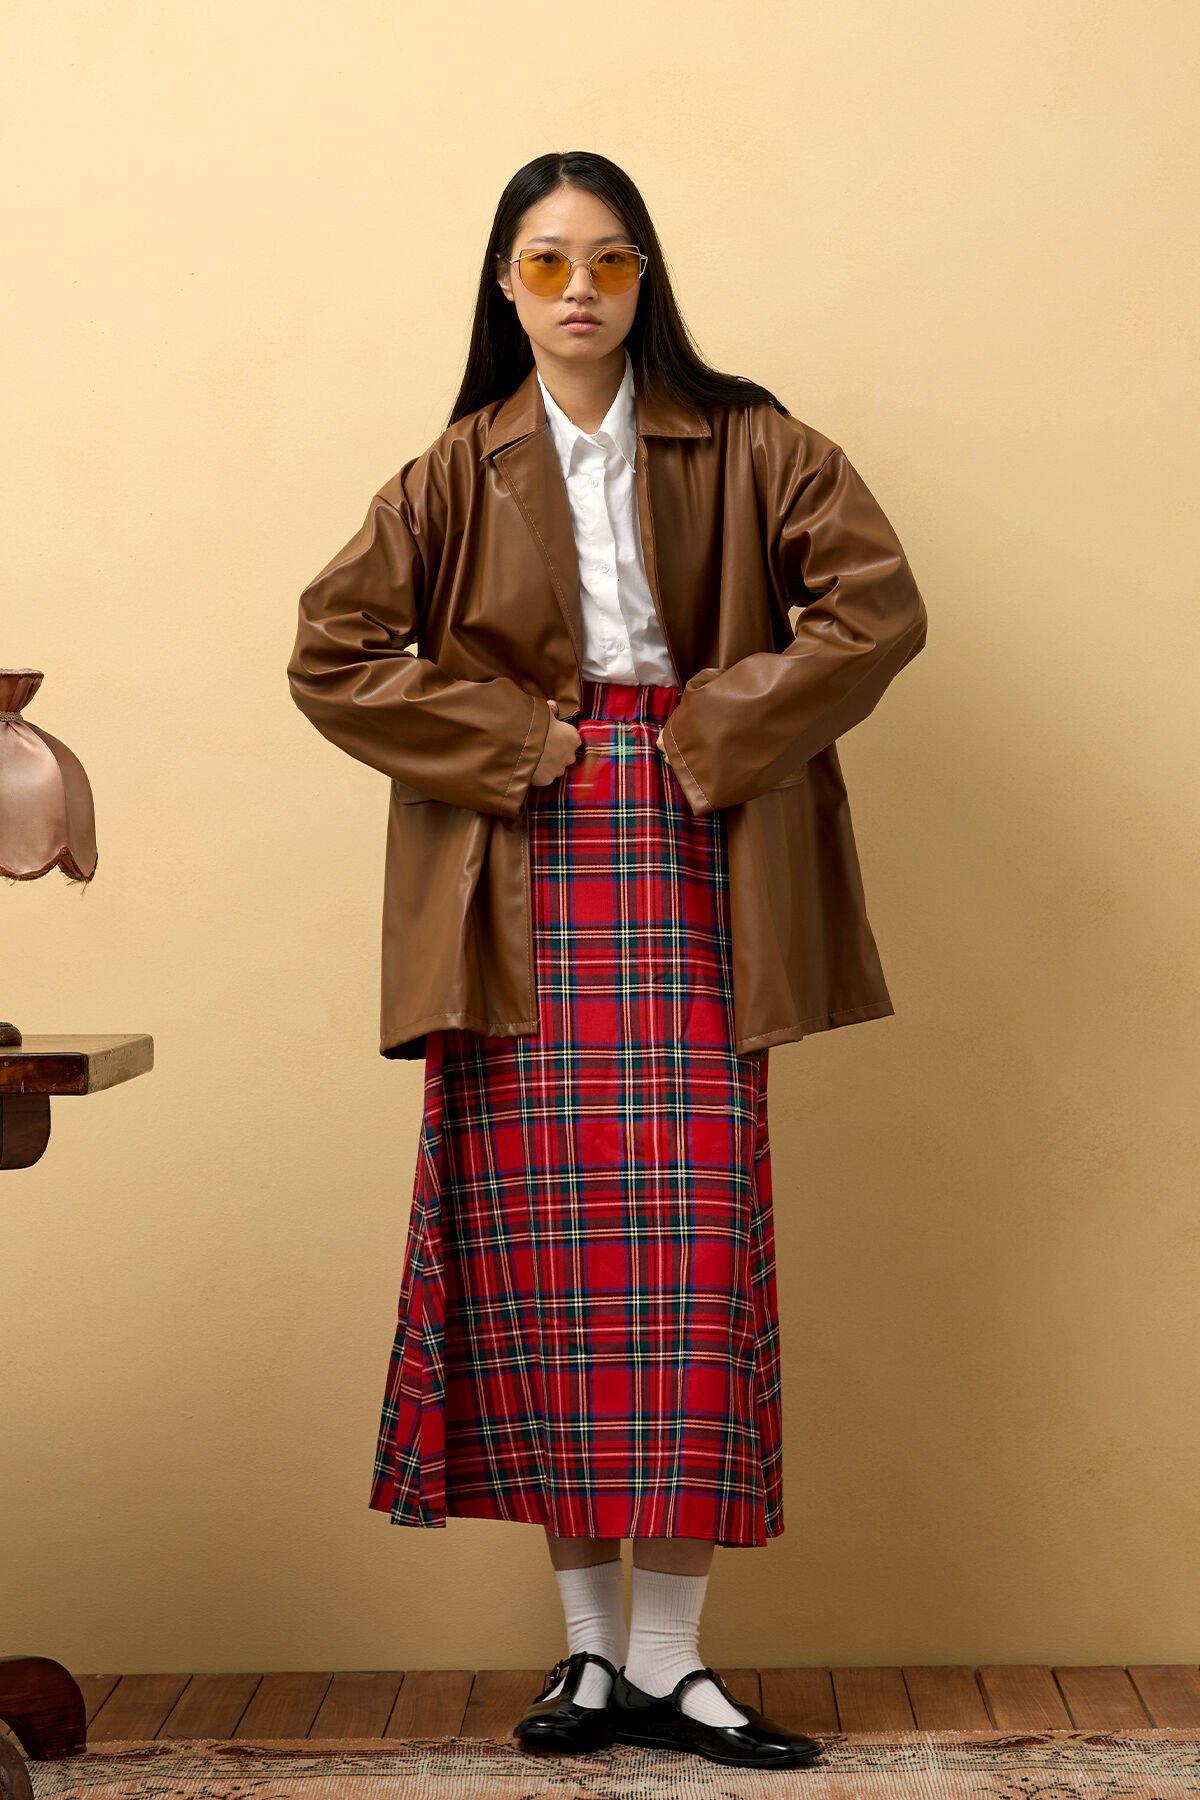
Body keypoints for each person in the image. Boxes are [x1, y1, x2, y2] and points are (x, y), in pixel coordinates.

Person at [287, 149, 926, 1772]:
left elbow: (875, 611)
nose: (581, 290)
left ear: (647, 279)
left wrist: (711, 730)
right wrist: (518, 741)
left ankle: (673, 1664)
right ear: (505, 284)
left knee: (690, 1258)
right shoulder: (450, 471)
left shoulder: (761, 443)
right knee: (548, 1264)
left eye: (613, 261)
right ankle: (588, 1657)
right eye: (548, 261)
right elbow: (331, 654)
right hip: (516, 866)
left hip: (707, 839)